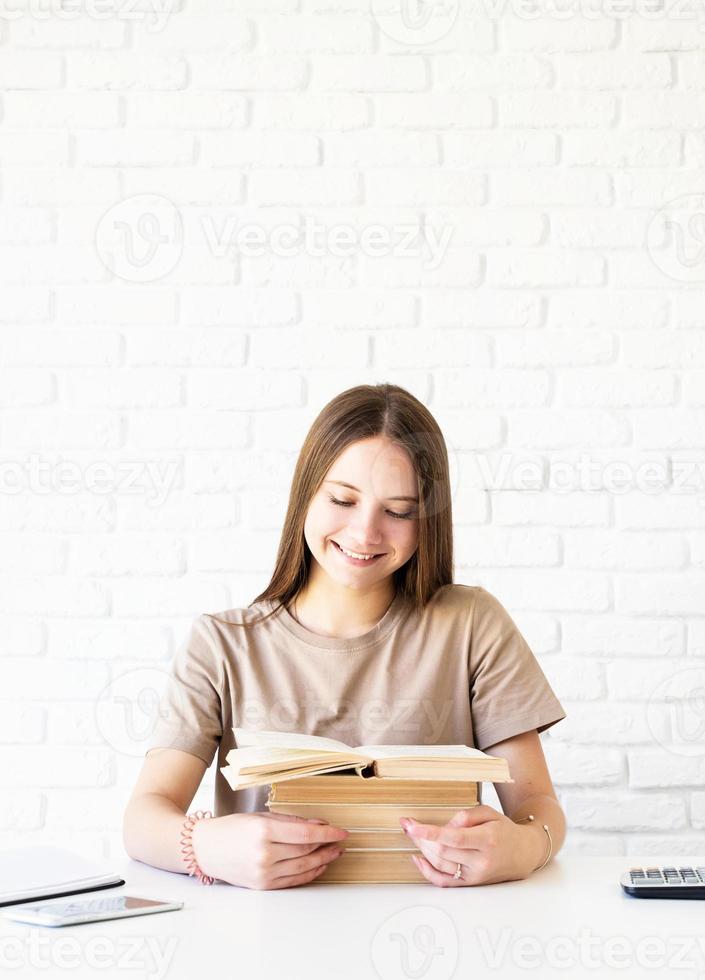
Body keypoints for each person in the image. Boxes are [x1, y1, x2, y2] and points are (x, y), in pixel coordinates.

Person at [123, 383, 567, 890]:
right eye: (342, 499)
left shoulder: (471, 625)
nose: (364, 534)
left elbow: (538, 807)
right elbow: (142, 820)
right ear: (306, 494)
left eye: (398, 511)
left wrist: (524, 846)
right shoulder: (223, 644)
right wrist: (207, 846)